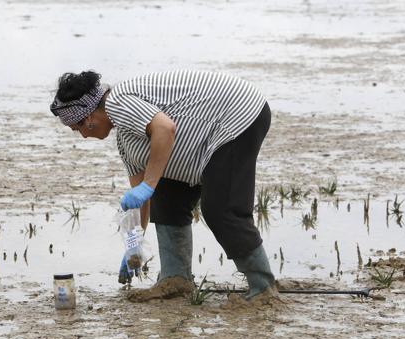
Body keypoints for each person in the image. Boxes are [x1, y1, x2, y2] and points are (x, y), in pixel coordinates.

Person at [50, 69, 276, 303]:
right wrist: (134, 246)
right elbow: (144, 198)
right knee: (165, 194)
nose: (83, 137)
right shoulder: (126, 142)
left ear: (88, 118)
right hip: (205, 134)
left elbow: (165, 128)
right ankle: (176, 279)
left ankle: (262, 287)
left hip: (239, 113)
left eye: (77, 129)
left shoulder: (116, 102)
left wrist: (148, 185)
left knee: (221, 209)